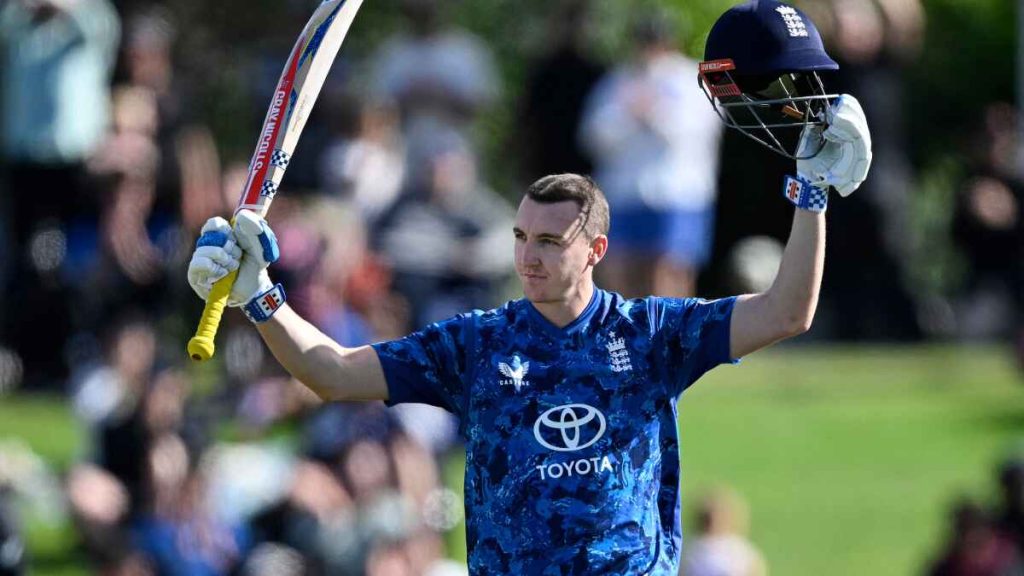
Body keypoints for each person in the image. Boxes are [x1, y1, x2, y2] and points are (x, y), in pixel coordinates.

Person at [187, 1, 871, 572]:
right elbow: (331, 373)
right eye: (521, 239)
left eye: (549, 242)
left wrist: (810, 195)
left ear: (596, 250)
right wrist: (261, 297)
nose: (529, 257)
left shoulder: (652, 334)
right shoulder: (478, 344)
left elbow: (786, 312)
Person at [580, 9, 722, 299]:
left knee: (669, 272)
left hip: (676, 193)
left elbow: (699, 130)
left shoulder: (689, 79)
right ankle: (629, 340)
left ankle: (672, 339)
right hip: (624, 191)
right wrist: (629, 115)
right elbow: (593, 135)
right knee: (618, 269)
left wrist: (656, 113)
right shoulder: (616, 81)